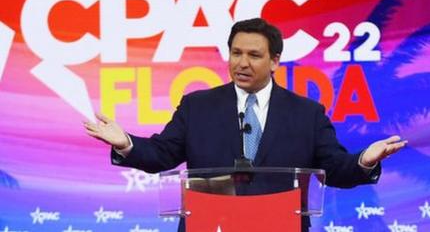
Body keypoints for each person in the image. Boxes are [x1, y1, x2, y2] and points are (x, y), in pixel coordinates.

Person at [84, 18, 406, 230]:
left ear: (275, 61)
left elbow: (335, 169)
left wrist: (363, 160)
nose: (242, 62)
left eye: (253, 55)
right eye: (235, 52)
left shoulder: (306, 113)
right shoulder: (198, 106)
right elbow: (162, 154)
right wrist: (125, 142)